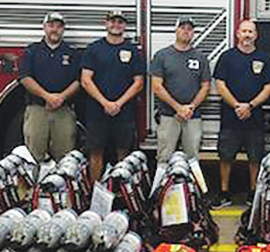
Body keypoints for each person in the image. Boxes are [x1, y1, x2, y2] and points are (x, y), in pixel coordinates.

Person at [212, 20, 270, 208]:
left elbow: (268, 87)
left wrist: (250, 105)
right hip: (231, 117)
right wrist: (237, 106)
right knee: (225, 156)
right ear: (237, 34)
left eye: (251, 31)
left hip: (254, 117)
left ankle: (253, 192)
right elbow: (220, 84)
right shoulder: (227, 57)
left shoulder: (264, 58)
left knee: (255, 157)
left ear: (256, 35)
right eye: (244, 31)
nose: (247, 35)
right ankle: (224, 193)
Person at [81, 10, 146, 185]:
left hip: (124, 111)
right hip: (97, 111)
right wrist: (105, 103)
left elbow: (139, 82)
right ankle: (95, 191)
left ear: (124, 26)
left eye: (120, 22)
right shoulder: (94, 49)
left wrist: (118, 103)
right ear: (106, 23)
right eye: (112, 21)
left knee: (123, 154)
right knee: (95, 153)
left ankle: (120, 191)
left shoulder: (132, 51)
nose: (116, 25)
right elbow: (86, 80)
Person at [18, 12, 81, 164]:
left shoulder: (72, 53)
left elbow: (78, 81)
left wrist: (61, 98)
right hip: (37, 110)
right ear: (44, 27)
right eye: (51, 25)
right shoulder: (31, 51)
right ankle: (33, 187)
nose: (55, 30)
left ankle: (63, 188)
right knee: (33, 157)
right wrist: (48, 97)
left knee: (65, 158)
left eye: (59, 26)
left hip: (64, 111)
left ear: (63, 30)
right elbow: (25, 78)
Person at [151, 16, 211, 162]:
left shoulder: (200, 57)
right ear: (176, 30)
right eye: (182, 28)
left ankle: (191, 185)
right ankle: (160, 184)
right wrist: (178, 108)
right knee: (163, 158)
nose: (186, 31)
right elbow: (157, 86)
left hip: (192, 116)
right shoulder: (162, 56)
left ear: (193, 33)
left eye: (190, 29)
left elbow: (205, 86)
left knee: (192, 159)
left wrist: (190, 108)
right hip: (168, 115)